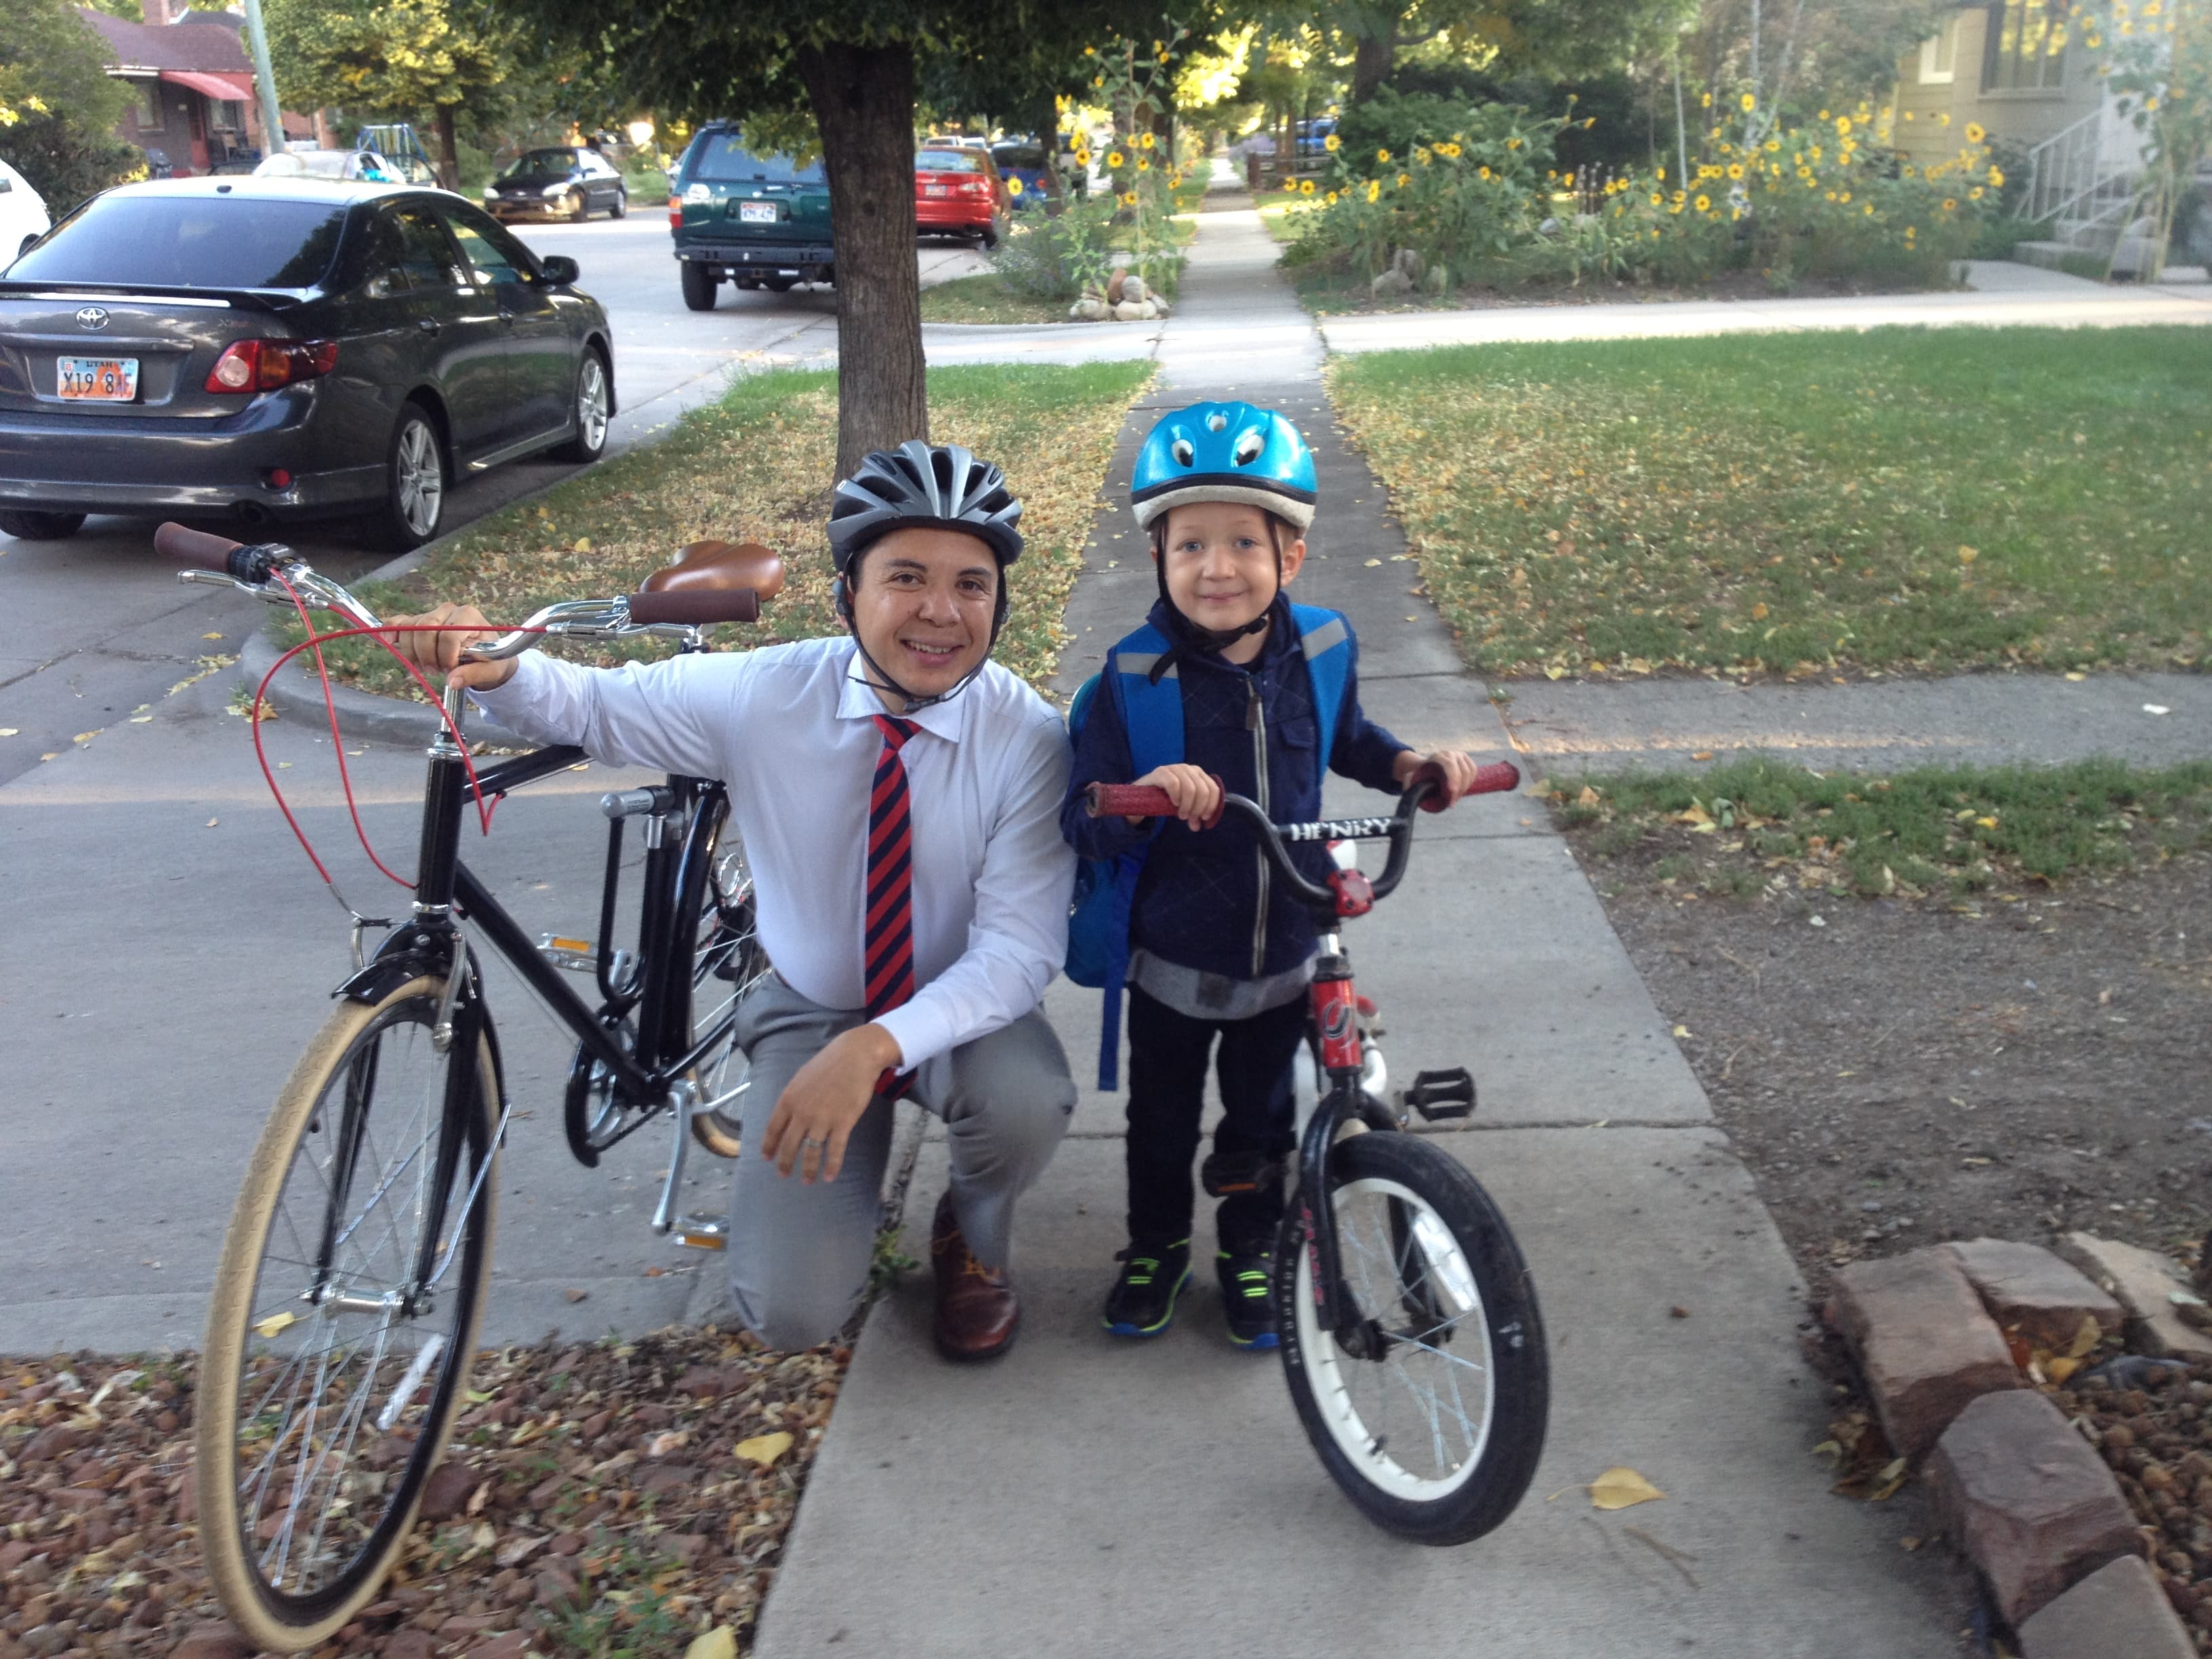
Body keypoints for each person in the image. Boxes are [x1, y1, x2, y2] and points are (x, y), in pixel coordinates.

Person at [386, 441, 1079, 1361]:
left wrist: (876, 1047)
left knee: (1028, 1099)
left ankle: (973, 1235)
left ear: (1000, 602)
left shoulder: (1026, 738)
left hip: (958, 1008)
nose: (941, 611)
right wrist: (501, 665)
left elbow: (1019, 950)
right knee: (787, 1314)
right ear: (849, 592)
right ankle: (836, 1187)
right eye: (905, 577)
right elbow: (594, 706)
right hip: (811, 1005)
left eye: (972, 586)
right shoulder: (769, 692)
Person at [1061, 402, 1488, 1349]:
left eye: (1243, 542)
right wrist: (1138, 791)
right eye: (1190, 546)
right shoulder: (1135, 679)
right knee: (1161, 1126)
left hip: (1292, 950)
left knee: (1264, 1124)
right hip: (1173, 957)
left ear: (1289, 555)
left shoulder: (1324, 648)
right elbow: (1081, 818)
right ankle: (1156, 1246)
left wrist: (1411, 766)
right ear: (1158, 558)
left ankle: (1252, 1251)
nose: (1217, 568)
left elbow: (1351, 740)